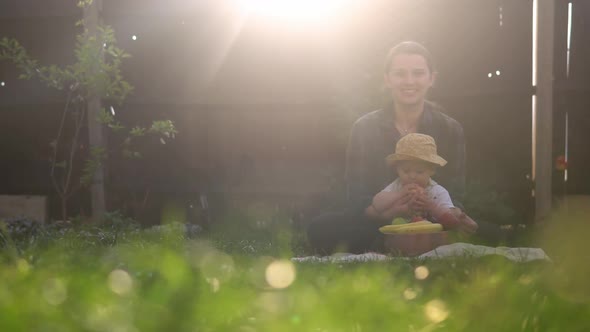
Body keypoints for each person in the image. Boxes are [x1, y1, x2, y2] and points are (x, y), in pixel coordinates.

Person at [307, 41, 491, 254]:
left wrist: (442, 211)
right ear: (387, 79)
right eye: (400, 73)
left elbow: (455, 192)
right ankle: (397, 245)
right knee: (321, 227)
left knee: (485, 231)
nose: (409, 81)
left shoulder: (450, 129)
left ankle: (396, 247)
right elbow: (356, 197)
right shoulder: (365, 128)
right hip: (378, 222)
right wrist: (386, 212)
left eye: (418, 73)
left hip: (432, 221)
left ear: (432, 79)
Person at [369, 133, 478, 234]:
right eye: (406, 171)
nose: (412, 176)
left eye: (419, 172)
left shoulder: (437, 191)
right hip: (400, 234)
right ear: (397, 169)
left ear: (432, 171)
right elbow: (377, 204)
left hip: (430, 237)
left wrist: (430, 206)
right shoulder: (397, 186)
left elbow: (451, 221)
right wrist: (399, 194)